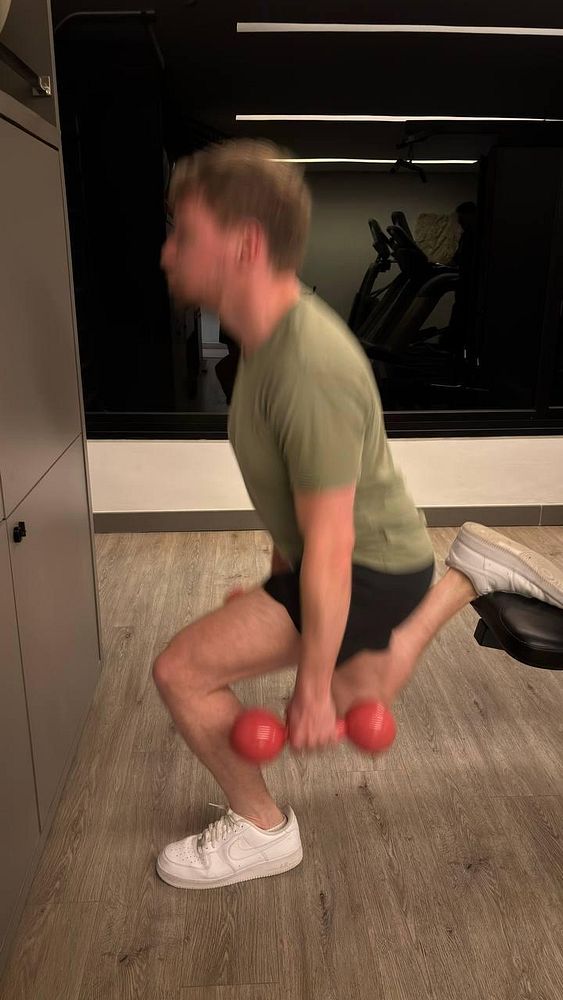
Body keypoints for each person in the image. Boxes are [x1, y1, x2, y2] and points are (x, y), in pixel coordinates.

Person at [155, 140, 563, 891]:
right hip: (347, 559)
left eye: (183, 232)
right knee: (360, 692)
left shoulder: (306, 363)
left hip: (366, 566)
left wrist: (309, 681)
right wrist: (275, 587)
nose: (165, 252)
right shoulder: (258, 347)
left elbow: (334, 536)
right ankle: (462, 578)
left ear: (242, 245)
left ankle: (261, 830)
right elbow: (296, 507)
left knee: (183, 672)